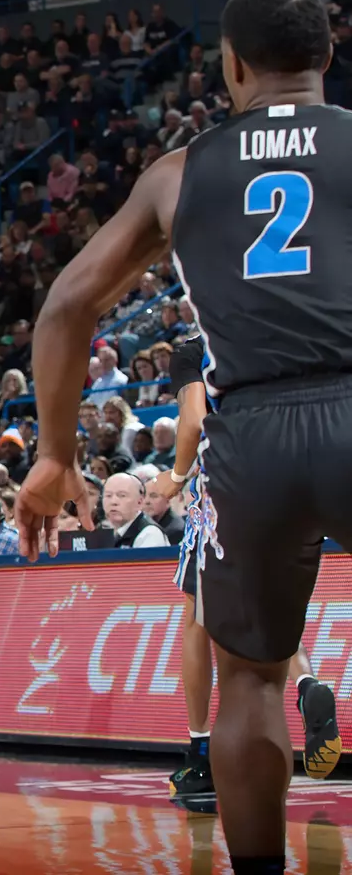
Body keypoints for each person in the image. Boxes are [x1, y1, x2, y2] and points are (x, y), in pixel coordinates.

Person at [20, 0, 352, 874]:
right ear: (326, 56)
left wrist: (55, 455)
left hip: (249, 431)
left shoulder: (180, 171)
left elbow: (63, 309)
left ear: (232, 65)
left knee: (249, 679)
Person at [149, 331, 338, 808]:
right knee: (270, 608)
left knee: (197, 618)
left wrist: (173, 479)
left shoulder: (196, 348)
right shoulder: (284, 327)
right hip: (307, 464)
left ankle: (200, 756)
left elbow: (192, 424)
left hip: (230, 479)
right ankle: (307, 684)